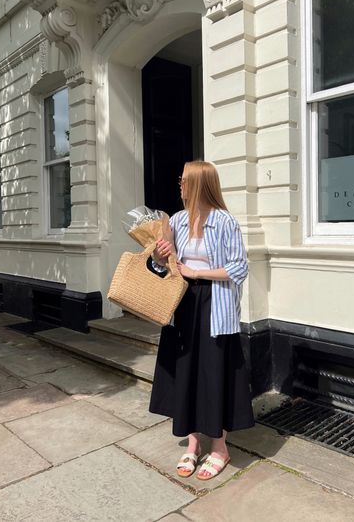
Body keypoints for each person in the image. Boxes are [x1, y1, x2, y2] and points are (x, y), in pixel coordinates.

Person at [149, 160, 255, 481]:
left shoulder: (225, 222)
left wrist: (196, 272)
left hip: (214, 303)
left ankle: (220, 447)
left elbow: (239, 268)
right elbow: (161, 267)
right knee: (186, 371)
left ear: (198, 183)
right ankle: (193, 442)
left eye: (184, 180)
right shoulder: (178, 221)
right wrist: (157, 257)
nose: (179, 184)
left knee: (212, 372)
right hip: (182, 304)